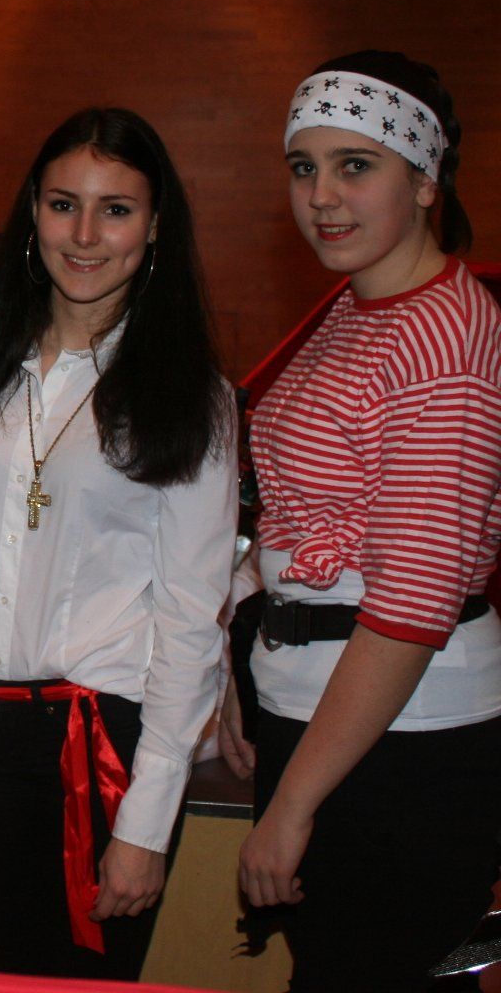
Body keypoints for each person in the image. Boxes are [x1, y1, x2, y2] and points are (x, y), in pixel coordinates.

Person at [0, 108, 235, 978]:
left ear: (156, 226)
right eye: (64, 205)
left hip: (99, 746)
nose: (86, 235)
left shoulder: (194, 394)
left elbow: (190, 619)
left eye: (117, 210)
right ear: (33, 213)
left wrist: (146, 822)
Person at [220, 52, 501, 989]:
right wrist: (246, 662)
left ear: (425, 180)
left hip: (403, 744)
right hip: (327, 719)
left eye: (356, 165)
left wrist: (293, 805)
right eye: (304, 167)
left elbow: (414, 602)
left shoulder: (447, 336)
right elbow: (301, 520)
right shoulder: (358, 304)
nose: (322, 198)